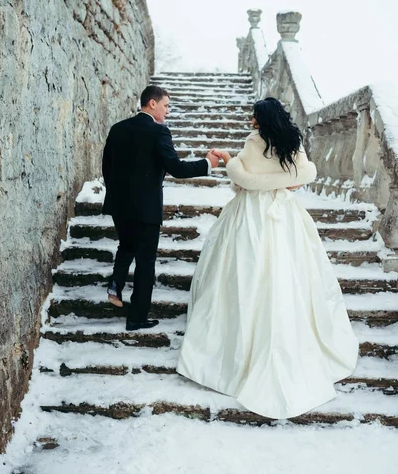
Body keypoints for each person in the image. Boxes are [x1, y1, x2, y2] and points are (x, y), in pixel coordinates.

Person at [177, 97, 359, 420]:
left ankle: (235, 351)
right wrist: (281, 182)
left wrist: (230, 160)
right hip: (284, 213)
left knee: (246, 273)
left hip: (252, 214)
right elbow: (304, 176)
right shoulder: (293, 141)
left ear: (261, 119)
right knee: (288, 274)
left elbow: (243, 180)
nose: (251, 121)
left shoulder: (253, 142)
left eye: (254, 117)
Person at [102, 85, 219, 331]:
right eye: (166, 105)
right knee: (145, 262)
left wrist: (116, 194)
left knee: (126, 245)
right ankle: (137, 317)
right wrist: (207, 164)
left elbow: (107, 168)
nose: (167, 111)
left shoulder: (117, 128)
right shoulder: (159, 132)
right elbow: (176, 168)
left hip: (118, 205)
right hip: (145, 209)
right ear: (152, 103)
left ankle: (115, 285)